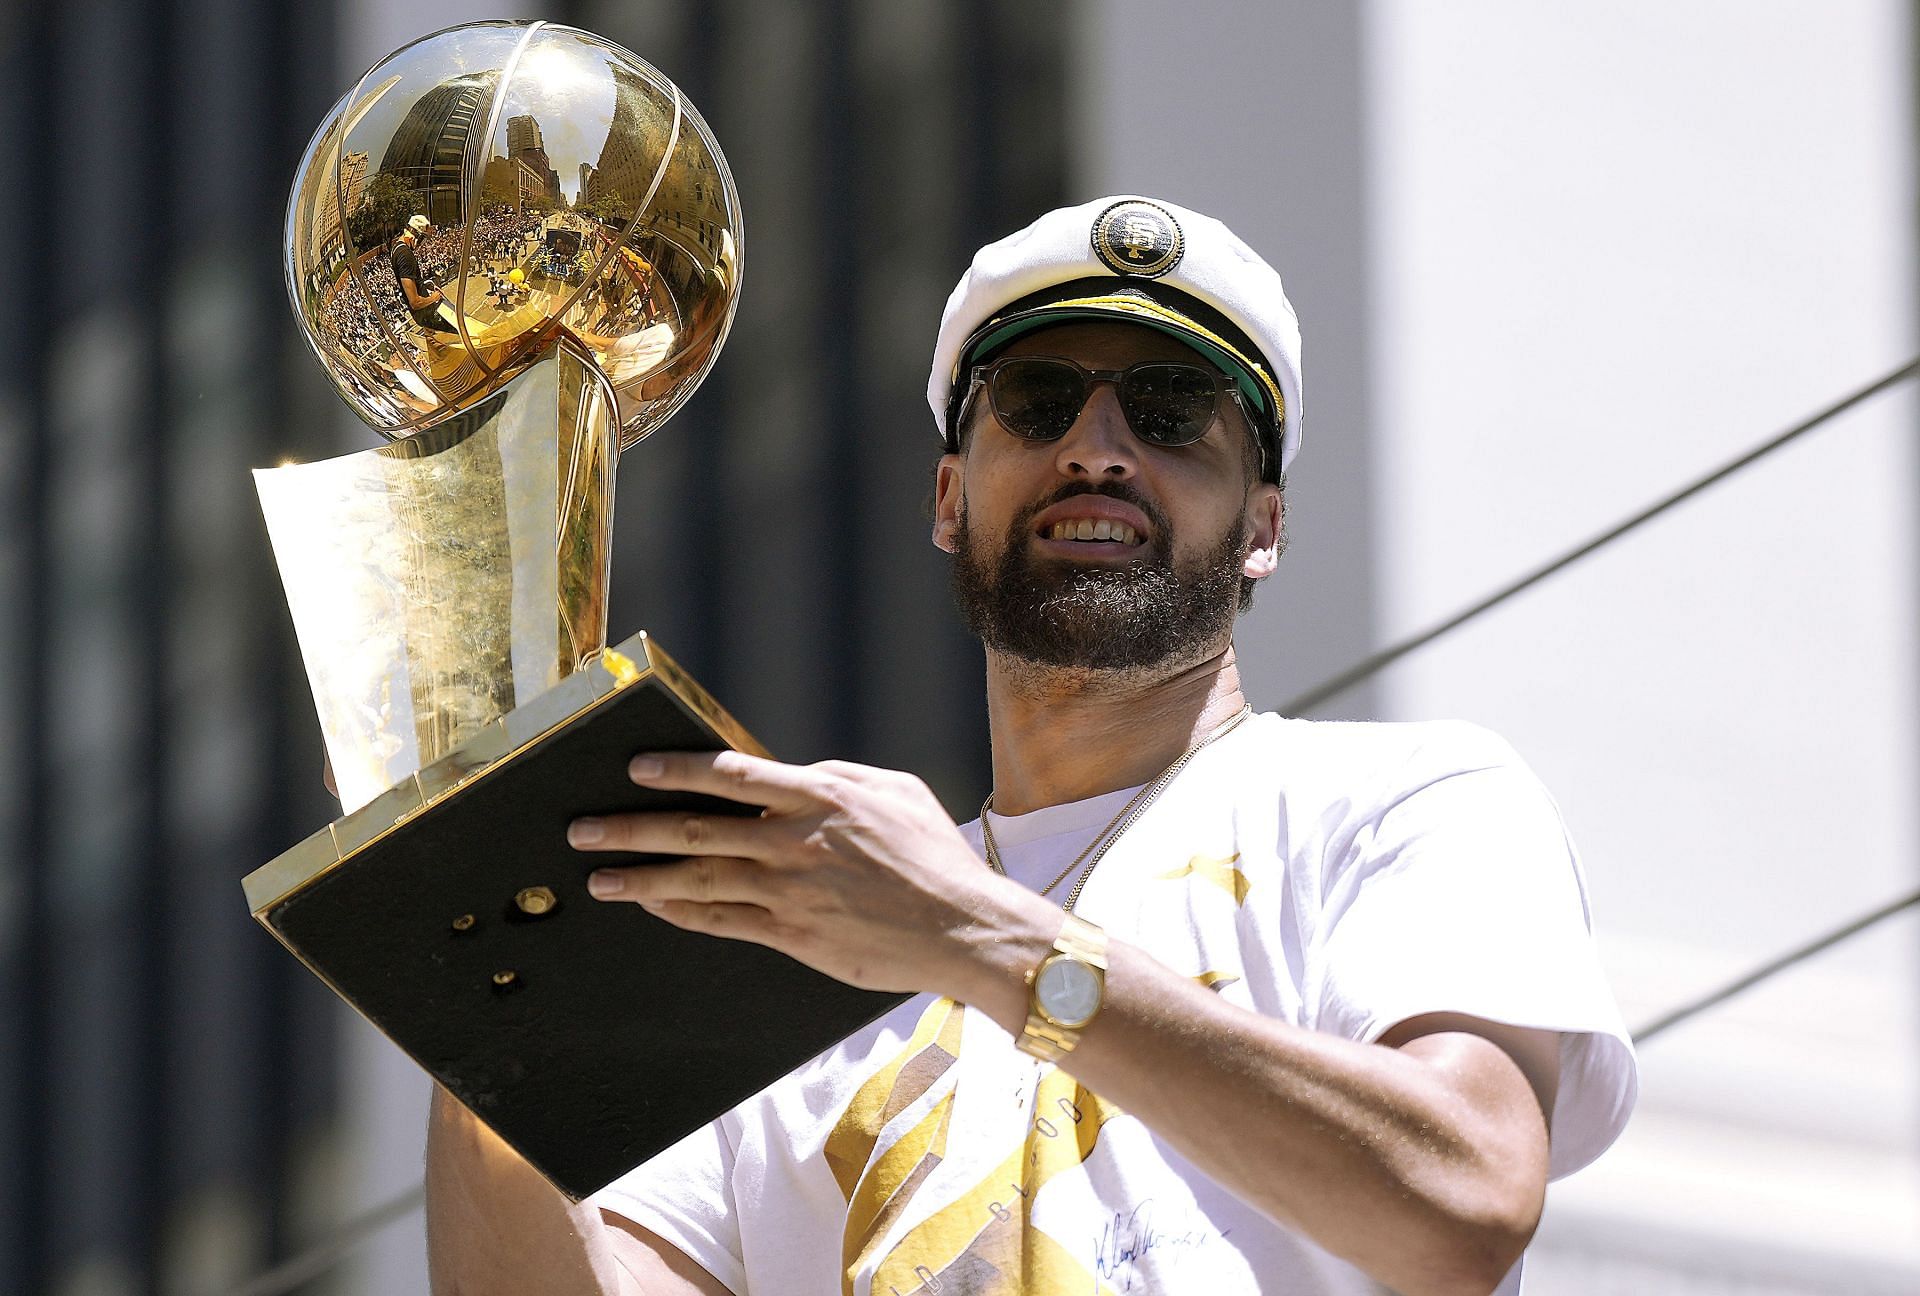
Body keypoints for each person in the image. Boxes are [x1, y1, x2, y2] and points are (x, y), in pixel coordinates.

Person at [423, 196, 1637, 1295]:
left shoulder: (1399, 802)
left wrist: (975, 936)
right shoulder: (789, 936)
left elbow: (1463, 1203)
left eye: (1171, 414)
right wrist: (481, 993)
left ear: (1263, 526)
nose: (1098, 448)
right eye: (1039, 402)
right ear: (950, 500)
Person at [391, 213, 459, 340]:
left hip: (425, 312)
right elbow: (415, 302)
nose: (422, 243)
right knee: (460, 329)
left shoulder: (397, 248)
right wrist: (433, 298)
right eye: (422, 238)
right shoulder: (405, 255)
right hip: (426, 314)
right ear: (414, 235)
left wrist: (427, 285)